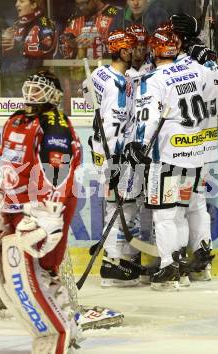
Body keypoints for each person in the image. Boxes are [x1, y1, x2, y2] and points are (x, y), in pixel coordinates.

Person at [0, 70, 82, 353]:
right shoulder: (15, 119)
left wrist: (47, 210)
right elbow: (11, 161)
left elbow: (57, 170)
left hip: (43, 207)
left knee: (39, 270)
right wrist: (2, 190)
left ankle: (62, 328)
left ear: (54, 95)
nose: (32, 92)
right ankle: (63, 320)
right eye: (30, 86)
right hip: (15, 206)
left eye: (40, 89)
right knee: (13, 274)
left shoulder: (54, 122)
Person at [129, 25, 218, 291]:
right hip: (196, 155)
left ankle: (169, 267)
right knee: (189, 209)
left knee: (165, 214)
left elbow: (146, 119)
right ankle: (191, 263)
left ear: (155, 49)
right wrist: (210, 61)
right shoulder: (197, 69)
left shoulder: (154, 79)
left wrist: (138, 144)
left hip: (168, 157)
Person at [82, 29, 144, 287]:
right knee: (124, 205)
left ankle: (115, 256)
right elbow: (114, 127)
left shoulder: (99, 73)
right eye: (131, 49)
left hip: (100, 149)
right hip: (114, 153)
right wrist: (116, 162)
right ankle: (112, 262)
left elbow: (86, 92)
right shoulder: (120, 84)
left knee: (113, 205)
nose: (136, 52)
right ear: (121, 51)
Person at [0, 0, 57, 96]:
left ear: (34, 4)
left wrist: (19, 46)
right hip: (11, 84)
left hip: (37, 86)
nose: (17, 4)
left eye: (21, 1)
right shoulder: (16, 25)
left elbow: (46, 47)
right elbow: (6, 54)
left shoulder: (45, 22)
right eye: (17, 1)